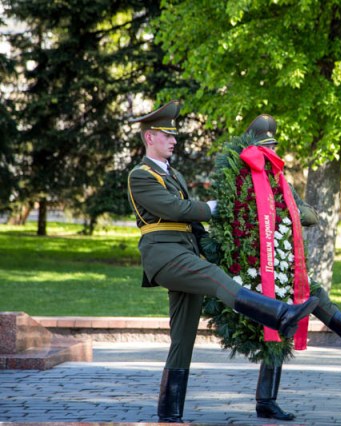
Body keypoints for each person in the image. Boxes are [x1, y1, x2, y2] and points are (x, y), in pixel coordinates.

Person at [127, 101, 319, 423]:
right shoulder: (141, 175)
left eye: (175, 135)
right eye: (166, 135)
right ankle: (280, 314)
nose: (174, 140)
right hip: (164, 256)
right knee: (215, 279)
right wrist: (213, 207)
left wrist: (216, 246)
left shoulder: (172, 174)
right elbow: (176, 211)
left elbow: (193, 226)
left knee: (183, 337)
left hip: (185, 252)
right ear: (149, 138)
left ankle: (169, 414)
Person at [244, 115, 341, 421]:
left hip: (282, 264)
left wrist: (287, 212)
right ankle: (266, 400)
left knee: (317, 294)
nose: (270, 155)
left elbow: (311, 216)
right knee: (280, 321)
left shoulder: (280, 182)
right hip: (255, 268)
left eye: (272, 149)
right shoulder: (245, 183)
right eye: (265, 150)